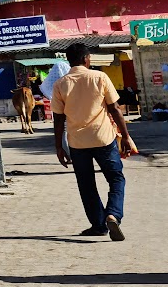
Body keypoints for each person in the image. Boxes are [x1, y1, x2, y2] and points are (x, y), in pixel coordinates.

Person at [51, 42, 136, 241]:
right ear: (85, 59)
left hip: (77, 142)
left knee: (86, 184)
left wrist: (58, 147)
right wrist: (125, 136)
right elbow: (114, 108)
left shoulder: (60, 84)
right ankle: (113, 214)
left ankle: (98, 225)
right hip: (103, 138)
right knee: (116, 178)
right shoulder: (100, 77)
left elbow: (58, 119)